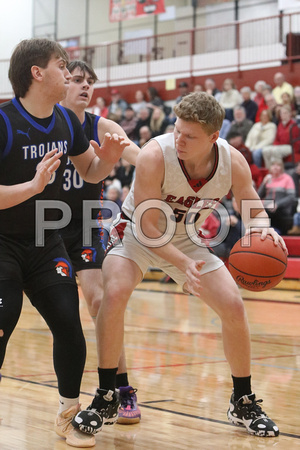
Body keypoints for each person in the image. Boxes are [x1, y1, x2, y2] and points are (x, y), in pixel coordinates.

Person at [73, 92, 285, 438]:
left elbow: (255, 211)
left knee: (232, 304)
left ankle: (242, 399)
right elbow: (148, 226)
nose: (179, 139)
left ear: (214, 137)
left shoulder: (234, 162)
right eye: (177, 130)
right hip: (137, 232)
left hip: (186, 236)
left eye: (190, 136)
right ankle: (107, 394)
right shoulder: (156, 155)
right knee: (115, 294)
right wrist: (184, 262)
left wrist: (265, 232)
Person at [0, 38, 130, 448]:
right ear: (37, 73)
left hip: (44, 239)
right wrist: (34, 185)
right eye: (61, 66)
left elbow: (90, 172)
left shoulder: (66, 121)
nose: (69, 73)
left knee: (70, 328)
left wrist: (107, 157)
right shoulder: (3, 122)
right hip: (2, 242)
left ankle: (69, 413)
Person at [59, 60, 141, 425]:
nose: (85, 86)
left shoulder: (101, 125)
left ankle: (120, 388)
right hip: (43, 227)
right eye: (77, 80)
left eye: (90, 81)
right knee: (59, 316)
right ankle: (68, 401)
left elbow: (141, 157)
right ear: (61, 83)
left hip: (86, 223)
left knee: (98, 301)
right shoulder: (43, 124)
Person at [257, 159, 296, 235]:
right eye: (273, 165)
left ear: (281, 167)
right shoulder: (268, 179)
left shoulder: (287, 179)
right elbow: (258, 195)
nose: (275, 167)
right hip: (268, 208)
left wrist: (277, 204)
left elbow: (291, 197)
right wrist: (263, 183)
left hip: (282, 209)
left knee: (264, 213)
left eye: (278, 165)